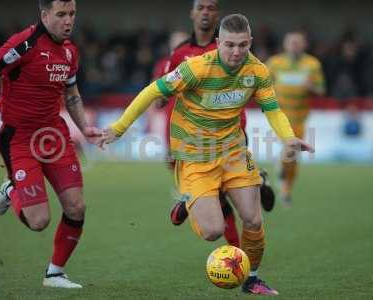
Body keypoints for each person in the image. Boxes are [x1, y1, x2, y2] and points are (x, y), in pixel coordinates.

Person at [102, 14, 314, 295]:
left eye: (242, 45)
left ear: (250, 42)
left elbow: (272, 110)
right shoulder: (196, 68)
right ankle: (188, 202)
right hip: (194, 156)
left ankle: (252, 279)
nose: (236, 52)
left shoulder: (257, 71)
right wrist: (120, 127)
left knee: (252, 219)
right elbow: (152, 91)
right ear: (217, 43)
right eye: (229, 45)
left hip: (234, 152)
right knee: (213, 231)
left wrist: (288, 137)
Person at [0, 0, 104, 288]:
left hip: (53, 137)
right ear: (44, 15)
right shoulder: (23, 44)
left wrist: (84, 127)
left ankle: (55, 273)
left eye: (72, 14)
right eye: (61, 15)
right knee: (39, 221)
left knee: (76, 207)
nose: (68, 21)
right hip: (18, 138)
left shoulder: (70, 51)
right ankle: (11, 188)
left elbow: (71, 92)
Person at [158, 0, 275, 250]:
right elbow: (162, 93)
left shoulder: (232, 48)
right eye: (201, 7)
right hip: (193, 139)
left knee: (227, 197)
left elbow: (255, 83)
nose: (206, 13)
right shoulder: (180, 53)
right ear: (192, 13)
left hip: (231, 135)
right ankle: (255, 185)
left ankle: (236, 253)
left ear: (217, 14)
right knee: (217, 200)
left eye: (211, 8)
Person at [266, 31, 325, 205]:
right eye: (291, 42)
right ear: (285, 45)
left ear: (304, 45)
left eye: (298, 43)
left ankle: (285, 189)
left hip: (300, 117)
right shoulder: (274, 63)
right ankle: (282, 170)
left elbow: (321, 90)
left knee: (293, 156)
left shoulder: (312, 64)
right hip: (280, 116)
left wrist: (312, 87)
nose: (295, 46)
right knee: (290, 149)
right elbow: (262, 86)